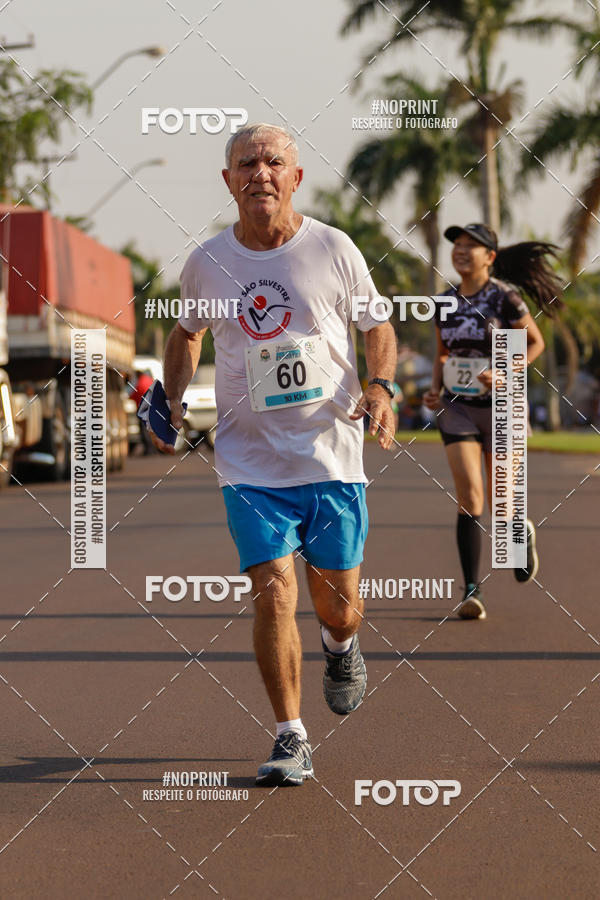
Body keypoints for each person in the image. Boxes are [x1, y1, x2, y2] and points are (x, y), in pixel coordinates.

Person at [148, 123, 397, 785]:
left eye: (273, 162)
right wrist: (167, 396)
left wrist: (380, 387)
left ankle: (340, 646)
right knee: (273, 594)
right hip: (248, 463)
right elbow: (186, 332)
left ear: (296, 178)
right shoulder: (206, 262)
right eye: (246, 163)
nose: (260, 172)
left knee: (337, 603)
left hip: (330, 455)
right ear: (228, 182)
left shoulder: (333, 249)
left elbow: (378, 327)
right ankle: (291, 735)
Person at [423, 223, 562, 620]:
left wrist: (506, 369)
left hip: (502, 406)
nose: (462, 251)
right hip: (458, 407)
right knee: (470, 496)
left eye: (472, 246)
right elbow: (442, 353)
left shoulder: (504, 297)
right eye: (458, 246)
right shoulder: (443, 300)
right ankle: (471, 590)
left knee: (502, 501)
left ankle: (518, 532)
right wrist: (434, 390)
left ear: (491, 257)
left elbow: (535, 341)